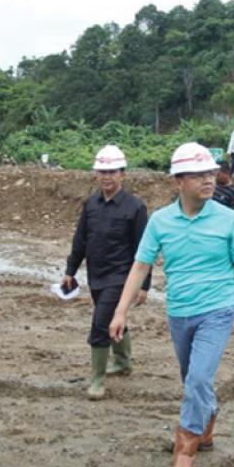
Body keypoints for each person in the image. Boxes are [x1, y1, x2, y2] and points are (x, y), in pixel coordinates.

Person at [108, 142, 234, 467]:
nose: (208, 180)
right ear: (178, 180)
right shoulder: (161, 221)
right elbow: (139, 267)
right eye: (198, 175)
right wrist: (120, 312)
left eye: (210, 173)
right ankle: (205, 424)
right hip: (178, 311)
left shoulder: (229, 219)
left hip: (218, 310)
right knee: (191, 377)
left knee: (198, 379)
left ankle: (185, 452)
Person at [62, 145, 151, 400]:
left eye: (112, 172)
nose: (106, 177)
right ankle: (123, 361)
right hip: (96, 275)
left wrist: (144, 285)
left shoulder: (135, 207)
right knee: (112, 318)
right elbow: (80, 240)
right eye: (102, 172)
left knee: (100, 323)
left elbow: (144, 249)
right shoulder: (91, 204)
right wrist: (70, 270)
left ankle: (97, 380)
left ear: (122, 174)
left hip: (122, 277)